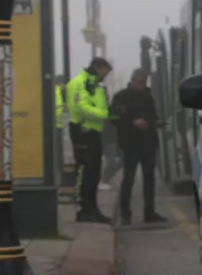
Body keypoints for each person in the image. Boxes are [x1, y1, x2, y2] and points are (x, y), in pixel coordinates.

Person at [111, 68, 166, 225]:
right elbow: (113, 118)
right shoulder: (121, 97)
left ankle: (150, 212)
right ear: (133, 80)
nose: (142, 85)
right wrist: (132, 122)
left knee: (150, 179)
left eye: (144, 82)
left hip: (148, 142)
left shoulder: (147, 96)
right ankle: (125, 213)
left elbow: (153, 115)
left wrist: (151, 122)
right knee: (129, 178)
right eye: (140, 82)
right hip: (130, 143)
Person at [65, 57, 112, 223]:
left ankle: (92, 209)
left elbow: (100, 106)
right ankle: (84, 210)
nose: (105, 76)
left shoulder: (96, 86)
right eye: (105, 72)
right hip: (82, 131)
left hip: (94, 132)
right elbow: (81, 108)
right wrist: (106, 115)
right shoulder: (79, 83)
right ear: (98, 68)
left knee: (94, 174)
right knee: (84, 173)